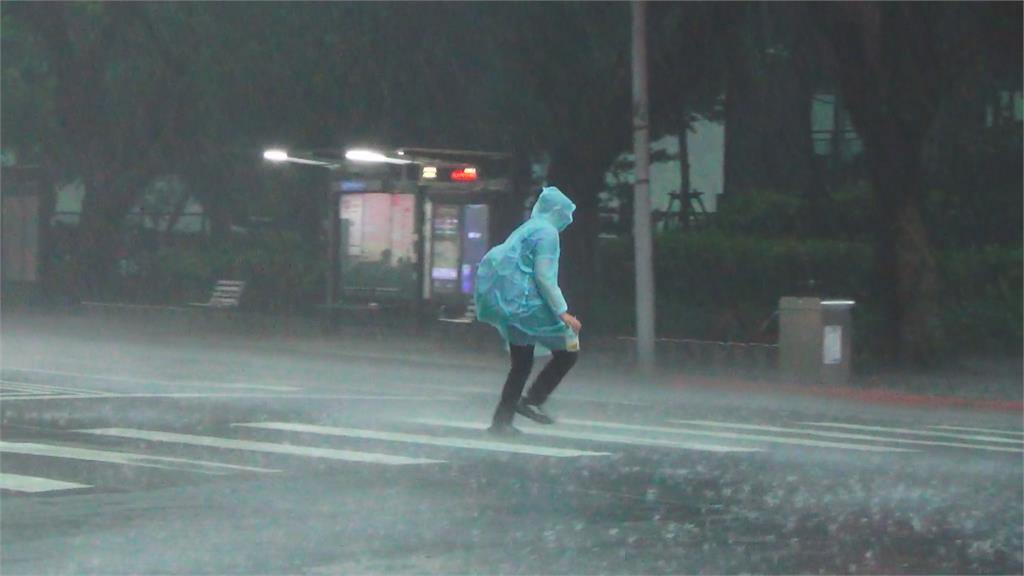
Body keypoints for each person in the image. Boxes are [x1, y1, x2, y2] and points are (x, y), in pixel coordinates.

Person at [475, 186, 582, 436]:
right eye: (566, 212)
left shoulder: (528, 228)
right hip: (531, 307)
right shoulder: (547, 234)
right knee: (569, 351)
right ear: (557, 211)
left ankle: (502, 420)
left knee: (521, 364)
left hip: (511, 307)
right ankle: (532, 400)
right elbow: (544, 277)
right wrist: (563, 312)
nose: (568, 218)